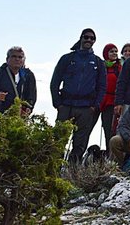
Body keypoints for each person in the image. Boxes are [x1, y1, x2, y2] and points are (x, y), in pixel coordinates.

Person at [50, 28, 107, 164]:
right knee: (58, 141)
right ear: (81, 38)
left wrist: (95, 106)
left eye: (92, 38)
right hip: (66, 105)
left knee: (80, 144)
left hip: (86, 108)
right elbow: (54, 82)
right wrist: (58, 103)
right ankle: (53, 173)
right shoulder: (67, 58)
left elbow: (102, 86)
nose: (89, 40)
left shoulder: (98, 62)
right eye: (86, 37)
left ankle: (72, 173)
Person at [0, 46, 37, 118]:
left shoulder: (28, 76)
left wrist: (28, 109)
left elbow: (31, 97)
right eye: (14, 56)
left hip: (18, 119)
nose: (17, 59)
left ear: (23, 60)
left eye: (20, 57)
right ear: (7, 59)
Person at [99, 43, 122, 141]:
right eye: (111, 51)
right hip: (99, 100)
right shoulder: (100, 66)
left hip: (112, 102)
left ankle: (110, 153)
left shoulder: (119, 68)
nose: (114, 53)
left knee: (110, 128)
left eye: (116, 51)